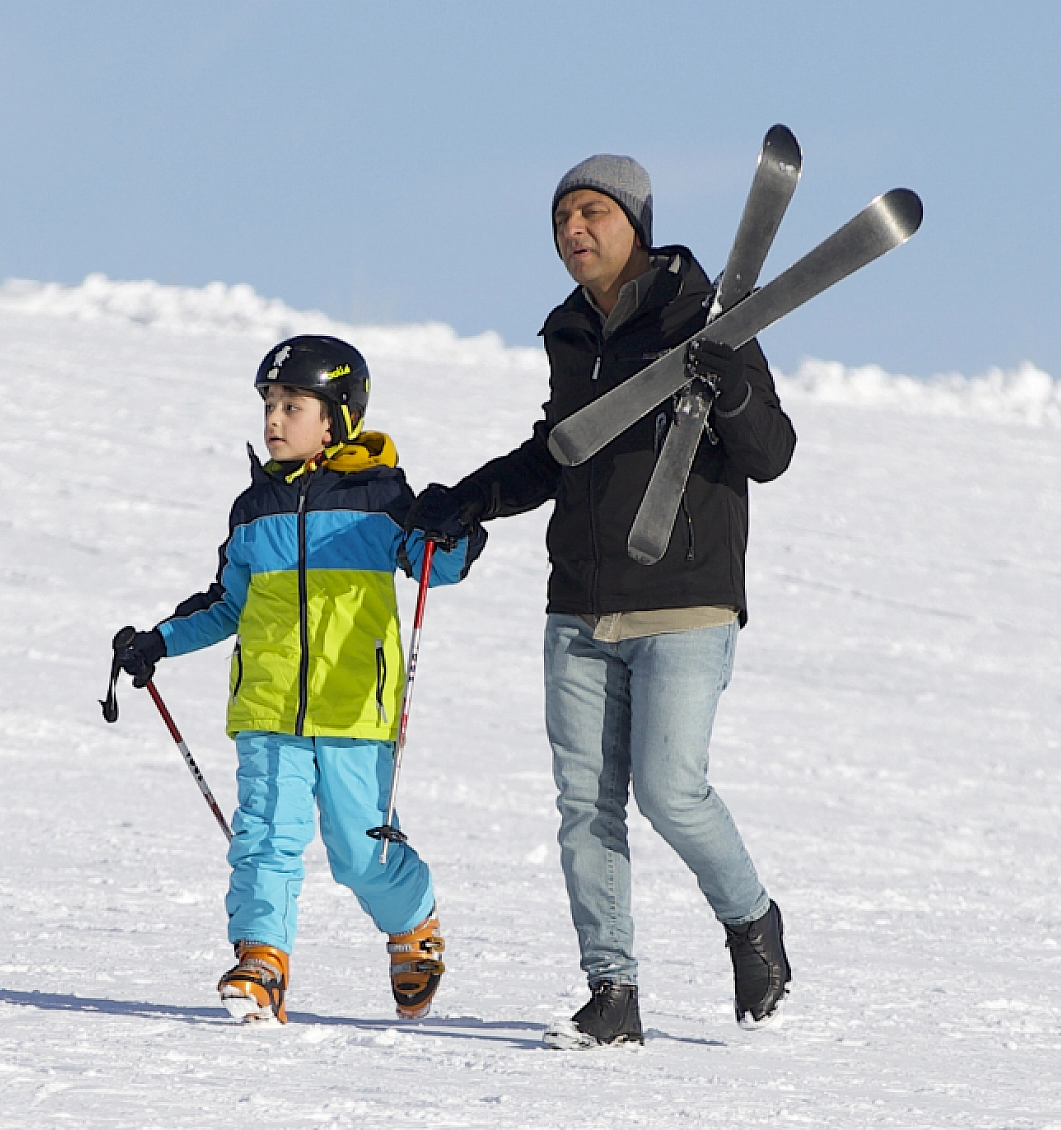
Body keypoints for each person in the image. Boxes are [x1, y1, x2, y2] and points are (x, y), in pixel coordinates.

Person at [404, 154, 797, 1048]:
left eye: (592, 213)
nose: (573, 230)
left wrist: (728, 383)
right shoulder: (570, 333)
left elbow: (770, 451)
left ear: (635, 223)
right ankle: (611, 993)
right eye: (560, 219)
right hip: (578, 604)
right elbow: (560, 451)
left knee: (668, 789)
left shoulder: (710, 314)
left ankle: (752, 923)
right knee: (584, 808)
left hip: (684, 600)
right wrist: (468, 497)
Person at [113, 335, 483, 1025]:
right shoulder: (254, 509)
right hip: (268, 706)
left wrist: (453, 529)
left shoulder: (382, 497)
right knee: (265, 838)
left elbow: (437, 566)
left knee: (358, 852)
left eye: (292, 405)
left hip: (354, 707)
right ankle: (262, 962)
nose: (274, 420)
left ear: (337, 416)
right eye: (269, 405)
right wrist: (158, 640)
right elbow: (227, 604)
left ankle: (414, 927)